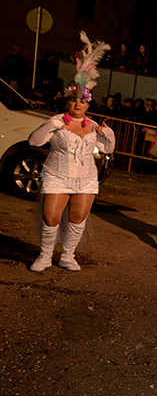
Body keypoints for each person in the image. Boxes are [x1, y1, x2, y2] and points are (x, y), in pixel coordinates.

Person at [27, 33, 114, 272]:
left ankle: (67, 255)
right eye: (74, 100)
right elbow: (34, 142)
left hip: (85, 178)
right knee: (51, 218)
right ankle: (45, 256)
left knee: (77, 219)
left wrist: (109, 135)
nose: (78, 104)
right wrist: (51, 126)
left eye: (83, 102)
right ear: (68, 101)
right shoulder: (57, 121)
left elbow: (108, 149)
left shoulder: (95, 125)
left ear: (88, 104)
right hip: (56, 174)